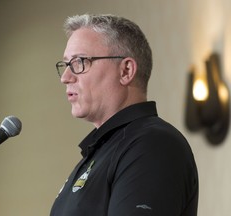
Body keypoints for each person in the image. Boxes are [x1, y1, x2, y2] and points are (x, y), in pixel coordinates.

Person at [50, 14, 199, 216]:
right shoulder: (103, 150)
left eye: (80, 62)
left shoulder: (152, 144)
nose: (66, 78)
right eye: (66, 65)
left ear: (126, 71)